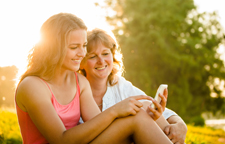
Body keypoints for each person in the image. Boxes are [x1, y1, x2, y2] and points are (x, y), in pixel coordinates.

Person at [15, 13, 173, 144]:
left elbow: (101, 128)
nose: (82, 53)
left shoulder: (79, 82)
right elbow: (60, 140)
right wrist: (115, 111)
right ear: (53, 48)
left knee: (141, 112)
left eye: (83, 46)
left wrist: (144, 119)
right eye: (74, 47)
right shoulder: (32, 86)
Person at [79, 28, 188, 144]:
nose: (101, 61)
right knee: (139, 114)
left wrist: (180, 124)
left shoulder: (120, 85)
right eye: (92, 56)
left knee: (146, 106)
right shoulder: (75, 88)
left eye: (105, 54)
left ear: (113, 57)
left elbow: (160, 111)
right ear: (81, 63)